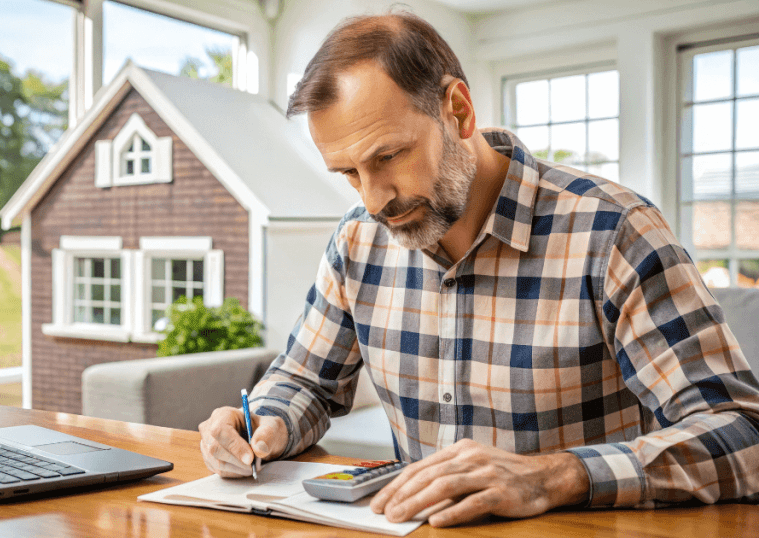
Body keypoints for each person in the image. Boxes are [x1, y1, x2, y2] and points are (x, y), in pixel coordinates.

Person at [197, 10, 759, 528]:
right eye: (348, 172)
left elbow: (743, 433)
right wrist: (263, 424)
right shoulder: (358, 242)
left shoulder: (614, 232)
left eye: (387, 157)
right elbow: (304, 382)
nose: (373, 200)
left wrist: (557, 475)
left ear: (458, 111)